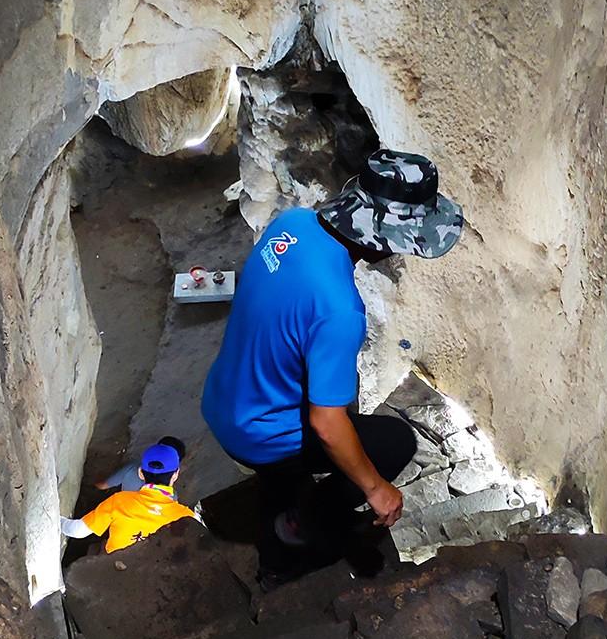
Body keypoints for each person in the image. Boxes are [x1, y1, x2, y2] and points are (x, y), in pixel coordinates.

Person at [201, 149, 463, 579]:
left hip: (225, 394)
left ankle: (284, 503)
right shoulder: (340, 310)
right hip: (258, 431)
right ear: (382, 240)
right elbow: (325, 423)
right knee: (395, 443)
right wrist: (377, 490)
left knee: (325, 424)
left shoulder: (293, 224)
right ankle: (294, 539)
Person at [61, 443, 194, 555]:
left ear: (141, 473)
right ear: (176, 475)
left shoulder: (119, 501)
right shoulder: (186, 516)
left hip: (112, 572)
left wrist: (55, 520)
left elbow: (76, 531)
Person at [93, 435, 187, 493]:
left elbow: (102, 485)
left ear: (140, 472)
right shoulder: (173, 500)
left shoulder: (132, 468)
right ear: (175, 474)